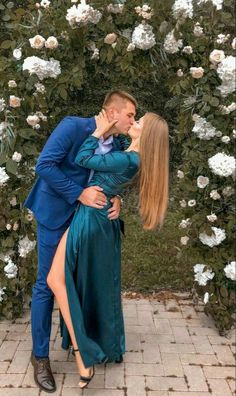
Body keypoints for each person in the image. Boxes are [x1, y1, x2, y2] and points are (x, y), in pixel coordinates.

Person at [24, 90, 137, 393]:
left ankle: (81, 343)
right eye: (130, 115)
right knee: (47, 283)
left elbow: (110, 174)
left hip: (86, 221)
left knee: (74, 280)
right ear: (112, 113)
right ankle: (40, 357)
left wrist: (116, 198)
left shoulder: (121, 142)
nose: (133, 121)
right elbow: (44, 165)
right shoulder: (73, 126)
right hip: (55, 212)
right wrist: (78, 193)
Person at [47, 111, 169, 389]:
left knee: (56, 280)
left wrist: (97, 131)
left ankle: (84, 355)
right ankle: (87, 350)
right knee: (64, 280)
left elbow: (83, 158)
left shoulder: (127, 158)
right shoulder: (130, 158)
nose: (134, 124)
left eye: (139, 123)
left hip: (90, 218)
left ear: (146, 135)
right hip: (94, 216)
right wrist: (116, 197)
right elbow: (108, 181)